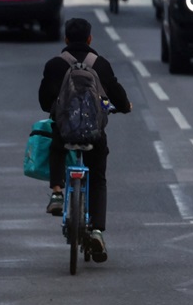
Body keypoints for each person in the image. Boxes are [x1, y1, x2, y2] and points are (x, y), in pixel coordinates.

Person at [38, 17, 132, 261]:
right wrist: (125, 106)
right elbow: (117, 95)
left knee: (57, 145)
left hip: (66, 132)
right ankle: (98, 231)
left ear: (66, 39)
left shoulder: (54, 65)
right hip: (94, 134)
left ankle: (57, 192)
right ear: (90, 39)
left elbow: (43, 101)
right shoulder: (100, 64)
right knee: (98, 177)